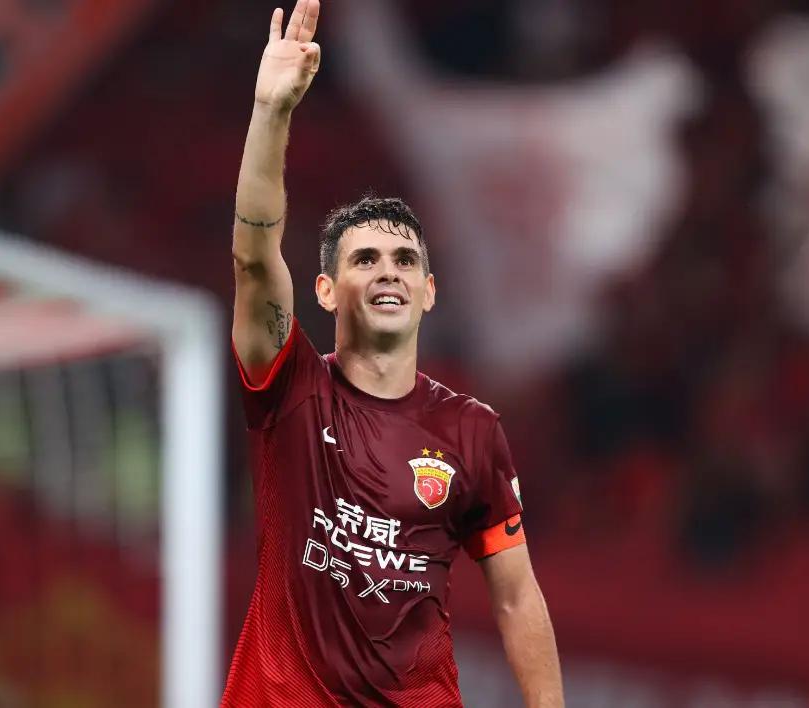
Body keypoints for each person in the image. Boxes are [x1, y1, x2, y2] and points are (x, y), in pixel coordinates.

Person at [226, 1, 564, 705]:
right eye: (365, 259)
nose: (388, 272)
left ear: (429, 292)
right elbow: (255, 260)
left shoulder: (470, 431)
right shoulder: (291, 392)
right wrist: (270, 112)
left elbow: (515, 597)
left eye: (405, 260)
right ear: (325, 290)